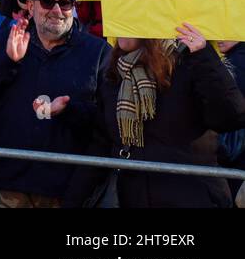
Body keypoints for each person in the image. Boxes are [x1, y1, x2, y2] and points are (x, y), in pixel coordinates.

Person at [0, 0, 110, 208]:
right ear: (31, 7)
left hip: (65, 189)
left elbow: (106, 120)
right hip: (10, 184)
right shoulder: (9, 40)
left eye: (65, 3)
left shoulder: (97, 52)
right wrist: (8, 62)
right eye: (48, 3)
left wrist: (67, 110)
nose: (57, 10)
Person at [64, 24, 245, 208]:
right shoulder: (115, 74)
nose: (121, 26)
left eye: (130, 19)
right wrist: (73, 201)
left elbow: (231, 117)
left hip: (193, 199)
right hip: (134, 199)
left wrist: (203, 55)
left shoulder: (188, 64)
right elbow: (102, 143)